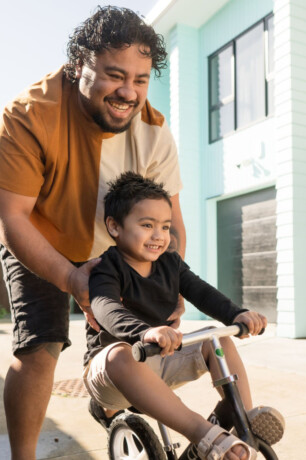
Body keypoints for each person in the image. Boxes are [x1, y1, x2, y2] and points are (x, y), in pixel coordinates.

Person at [0, 6, 186, 459]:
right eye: (114, 75)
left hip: (113, 246)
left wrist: (170, 280)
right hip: (41, 238)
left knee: (132, 338)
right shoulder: (28, 115)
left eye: (141, 79)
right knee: (41, 344)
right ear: (78, 63)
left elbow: (170, 219)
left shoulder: (154, 131)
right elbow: (12, 219)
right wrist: (70, 279)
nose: (128, 91)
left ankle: (105, 406)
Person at [83, 172, 285, 460]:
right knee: (119, 354)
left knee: (217, 339)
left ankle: (244, 422)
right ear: (115, 226)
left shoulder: (170, 263)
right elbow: (104, 306)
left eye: (165, 227)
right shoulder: (108, 266)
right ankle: (202, 433)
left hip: (161, 359)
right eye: (147, 225)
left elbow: (202, 292)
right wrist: (144, 332)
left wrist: (237, 314)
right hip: (116, 374)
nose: (159, 236)